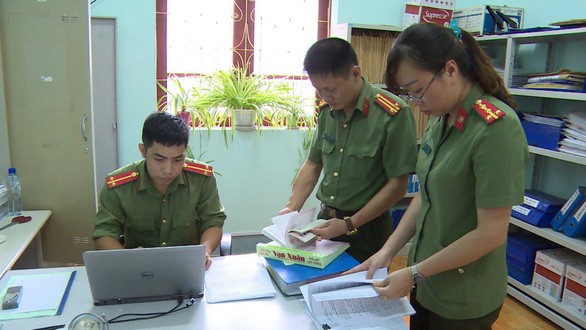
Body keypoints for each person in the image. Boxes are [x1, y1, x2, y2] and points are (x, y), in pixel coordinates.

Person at [347, 22, 530, 329]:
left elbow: (491, 233)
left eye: (418, 91)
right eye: (409, 94)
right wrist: (387, 251)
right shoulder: (442, 117)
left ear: (449, 70)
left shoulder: (496, 128)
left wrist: (414, 272)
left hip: (465, 295)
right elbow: (426, 194)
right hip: (427, 282)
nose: (416, 104)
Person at [278, 37, 418, 262]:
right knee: (322, 289)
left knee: (363, 293)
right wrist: (291, 208)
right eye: (319, 90)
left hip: (367, 229)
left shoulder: (392, 114)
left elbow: (397, 186)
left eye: (331, 89)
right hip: (326, 222)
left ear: (355, 73)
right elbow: (314, 163)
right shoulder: (327, 113)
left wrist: (349, 224)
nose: (325, 97)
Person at [93, 112, 226, 270]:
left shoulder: (201, 179)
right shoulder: (119, 186)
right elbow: (103, 233)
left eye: (178, 160)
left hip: (186, 267)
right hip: (139, 269)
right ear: (143, 151)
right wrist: (126, 260)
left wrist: (205, 250)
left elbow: (213, 222)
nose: (168, 170)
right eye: (159, 159)